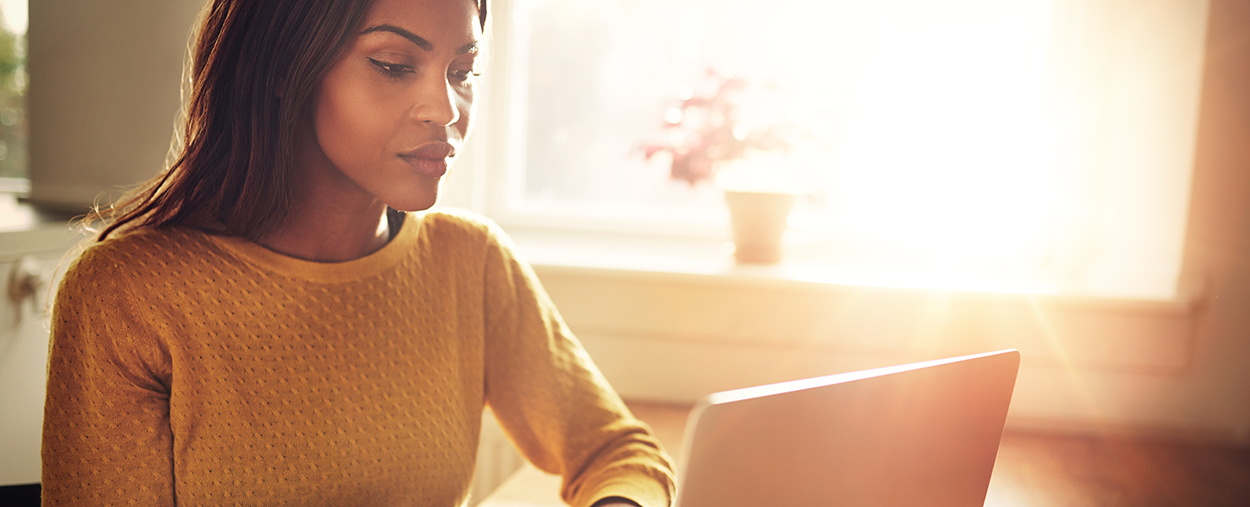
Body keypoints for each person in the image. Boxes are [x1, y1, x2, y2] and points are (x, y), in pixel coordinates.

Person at [40, 0, 676, 505]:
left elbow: (620, 457)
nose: (446, 109)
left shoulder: (470, 263)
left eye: (463, 71)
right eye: (396, 65)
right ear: (286, 67)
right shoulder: (127, 294)